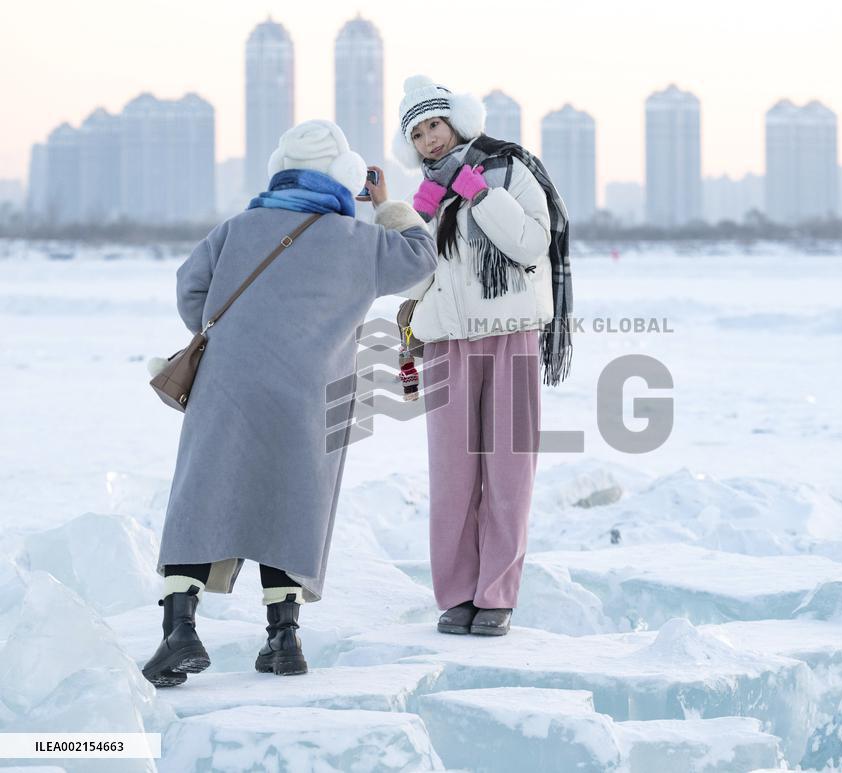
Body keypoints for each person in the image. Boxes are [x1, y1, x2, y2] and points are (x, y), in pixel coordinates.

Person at [143, 119, 437, 687]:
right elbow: (421, 259)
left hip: (228, 384)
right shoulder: (362, 242)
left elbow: (190, 289)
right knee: (293, 501)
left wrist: (227, 333)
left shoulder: (238, 228)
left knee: (202, 494)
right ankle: (284, 640)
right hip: (310, 392)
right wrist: (385, 204)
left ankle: (179, 631)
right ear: (345, 177)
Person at [390, 76, 573, 637]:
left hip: (511, 333)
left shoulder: (510, 169)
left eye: (435, 126)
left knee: (508, 473)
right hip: (447, 342)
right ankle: (456, 595)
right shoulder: (425, 196)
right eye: (417, 134)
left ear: (457, 122)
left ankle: (496, 595)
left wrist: (479, 195)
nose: (429, 141)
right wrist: (395, 216)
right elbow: (415, 274)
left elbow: (530, 244)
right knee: (451, 478)